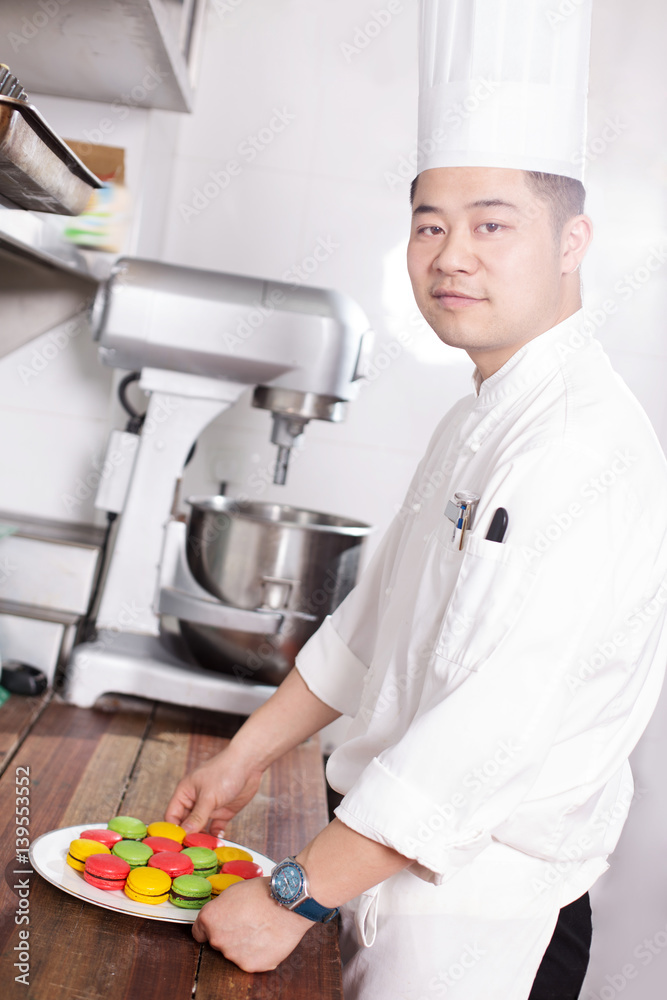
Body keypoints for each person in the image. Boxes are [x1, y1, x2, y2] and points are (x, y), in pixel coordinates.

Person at [166, 163, 667, 999]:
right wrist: (242, 758)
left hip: (484, 926)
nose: (450, 257)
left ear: (571, 242)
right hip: (377, 879)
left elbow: (492, 728)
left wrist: (291, 896)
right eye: (429, 225)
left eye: (491, 225)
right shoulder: (480, 413)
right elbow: (377, 622)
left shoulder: (578, 448)